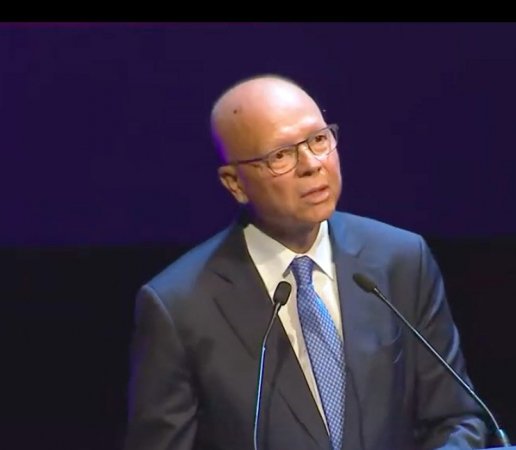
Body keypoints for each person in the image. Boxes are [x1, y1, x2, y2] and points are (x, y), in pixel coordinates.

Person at [124, 74, 488, 450]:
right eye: (280, 155)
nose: (312, 164)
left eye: (318, 140)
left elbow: (456, 419)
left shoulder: (401, 260)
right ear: (235, 183)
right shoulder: (179, 306)